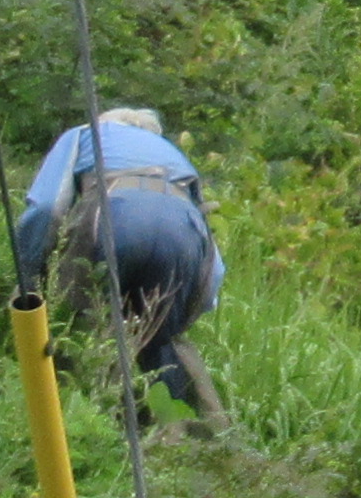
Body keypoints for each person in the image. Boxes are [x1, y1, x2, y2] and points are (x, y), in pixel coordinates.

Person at [19, 107, 225, 418]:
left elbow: (46, 208)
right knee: (159, 338)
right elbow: (212, 260)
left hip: (115, 214)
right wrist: (188, 311)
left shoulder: (82, 135)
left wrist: (28, 276)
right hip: (184, 232)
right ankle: (180, 438)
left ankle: (80, 418)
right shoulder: (174, 155)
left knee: (81, 326)